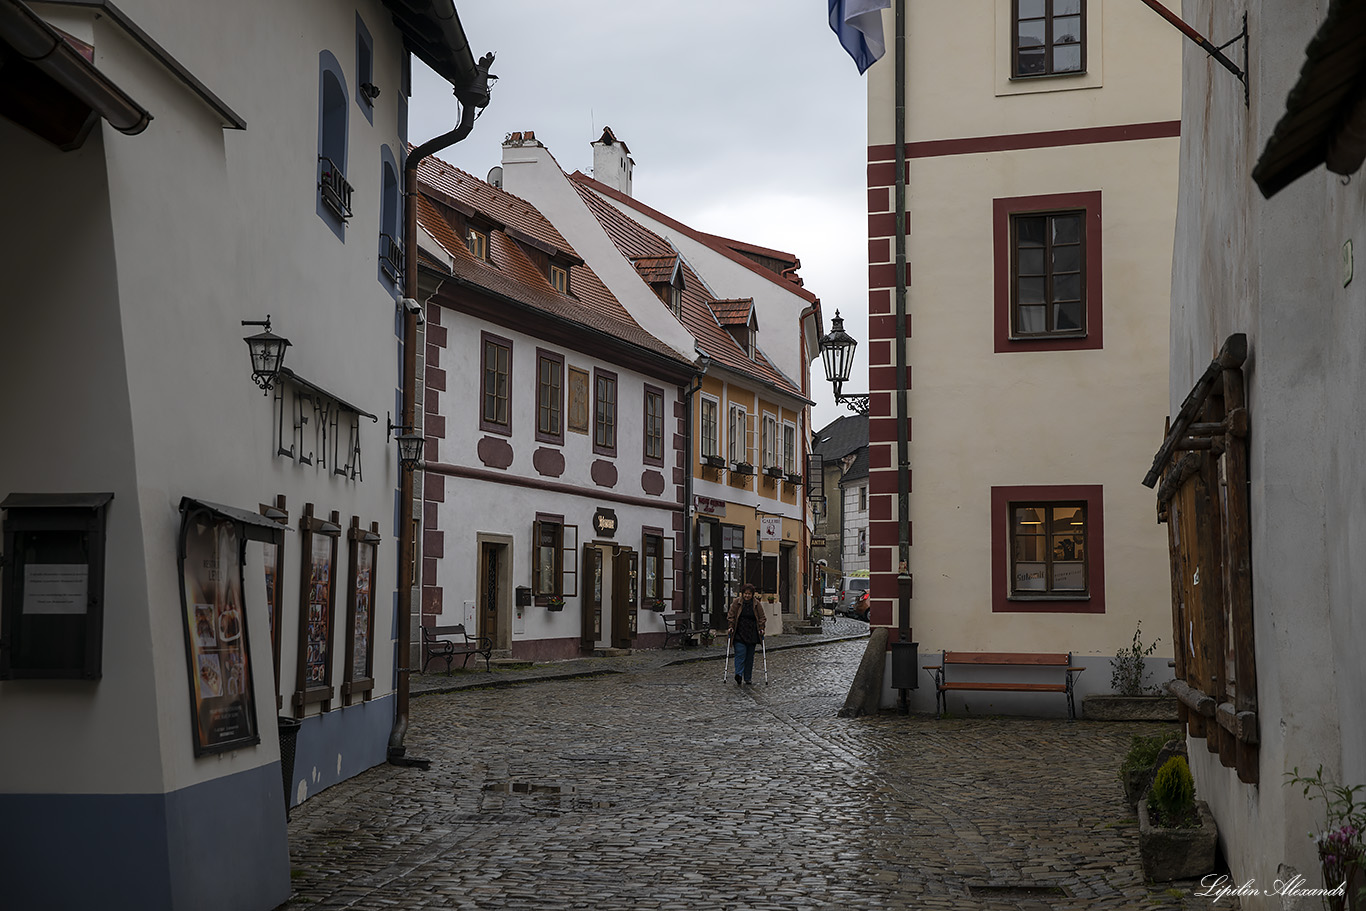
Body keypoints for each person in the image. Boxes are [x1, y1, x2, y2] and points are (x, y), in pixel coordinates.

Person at [727, 583, 766, 685]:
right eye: (745, 593)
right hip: (739, 632)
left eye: (749, 594)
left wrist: (761, 628)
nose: (747, 596)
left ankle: (748, 677)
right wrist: (731, 626)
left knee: (749, 656)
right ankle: (739, 674)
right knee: (740, 653)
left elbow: (762, 617)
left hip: (752, 633)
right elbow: (731, 615)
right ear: (742, 593)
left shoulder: (757, 604)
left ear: (752, 594)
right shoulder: (737, 603)